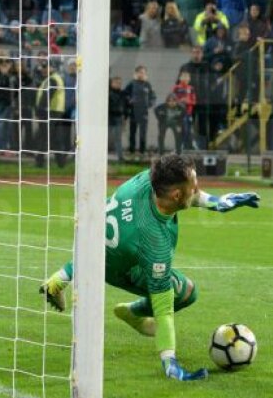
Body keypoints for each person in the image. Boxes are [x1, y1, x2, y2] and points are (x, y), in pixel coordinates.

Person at [39, 154, 259, 381]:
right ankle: (132, 313)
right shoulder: (154, 243)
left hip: (91, 232)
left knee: (105, 250)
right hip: (119, 268)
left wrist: (219, 203)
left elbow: (186, 196)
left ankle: (57, 280)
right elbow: (164, 310)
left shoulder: (149, 180)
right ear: (176, 195)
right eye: (194, 187)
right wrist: (170, 361)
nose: (198, 189)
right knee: (186, 293)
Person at [123, 65, 158, 157]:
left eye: (143, 73)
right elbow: (125, 94)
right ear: (136, 73)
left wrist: (149, 104)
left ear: (145, 74)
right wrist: (129, 100)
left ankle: (142, 152)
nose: (141, 74)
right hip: (133, 112)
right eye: (139, 72)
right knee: (132, 133)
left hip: (144, 113)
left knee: (143, 133)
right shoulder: (131, 83)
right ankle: (132, 151)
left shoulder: (147, 84)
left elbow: (153, 97)